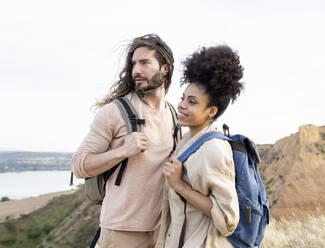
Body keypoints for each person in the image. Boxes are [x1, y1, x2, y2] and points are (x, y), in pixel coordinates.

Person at [71, 33, 176, 248]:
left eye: (145, 62)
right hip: (121, 231)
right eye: (133, 64)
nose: (136, 70)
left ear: (164, 68)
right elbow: (79, 166)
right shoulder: (114, 112)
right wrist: (122, 151)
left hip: (163, 231)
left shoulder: (174, 114)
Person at [156, 45, 244, 248]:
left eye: (192, 102)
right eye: (183, 98)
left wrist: (179, 186)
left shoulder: (214, 149)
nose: (182, 105)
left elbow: (228, 219)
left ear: (211, 111)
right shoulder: (188, 140)